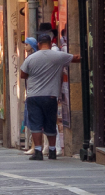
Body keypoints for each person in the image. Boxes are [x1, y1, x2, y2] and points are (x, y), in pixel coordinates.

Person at [19, 32, 80, 160]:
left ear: (39, 44)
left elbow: (23, 75)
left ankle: (38, 151)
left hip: (33, 96)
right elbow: (76, 58)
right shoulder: (58, 56)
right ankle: (52, 151)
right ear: (50, 42)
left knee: (36, 124)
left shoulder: (30, 58)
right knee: (50, 123)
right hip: (50, 96)